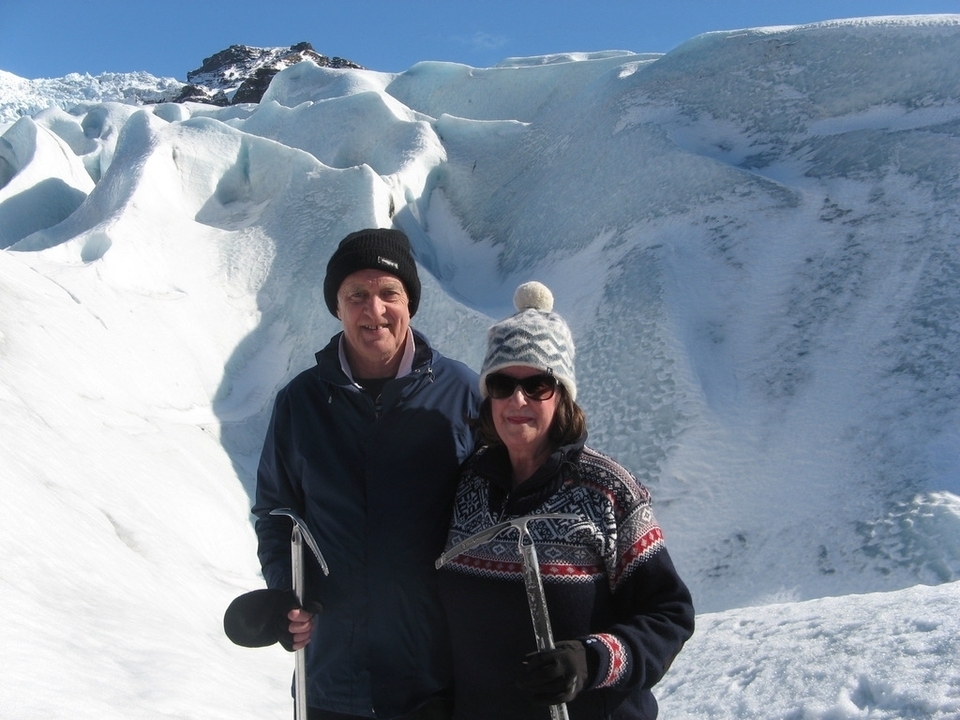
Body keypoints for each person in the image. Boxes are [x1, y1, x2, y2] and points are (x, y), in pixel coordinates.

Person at [246, 228, 481, 719]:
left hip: (435, 679)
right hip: (331, 679)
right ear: (337, 306)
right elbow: (275, 512)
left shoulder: (461, 394)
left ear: (410, 303)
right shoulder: (301, 402)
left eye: (388, 293)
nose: (374, 310)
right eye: (357, 295)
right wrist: (287, 591)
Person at [437, 281, 694, 720]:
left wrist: (590, 660)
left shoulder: (609, 491)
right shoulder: (466, 487)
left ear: (562, 396)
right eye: (502, 384)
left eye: (537, 384)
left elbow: (669, 614)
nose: (517, 399)